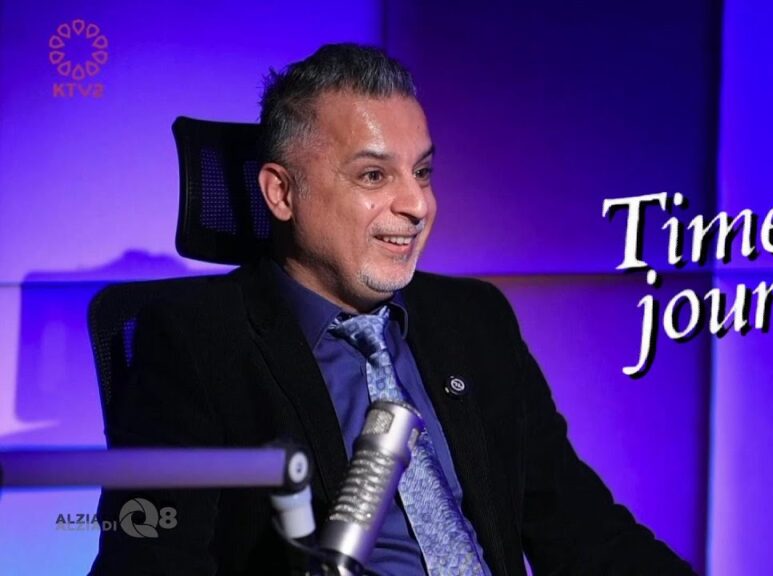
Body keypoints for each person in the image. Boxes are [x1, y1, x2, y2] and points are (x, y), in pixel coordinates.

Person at [91, 43, 694, 575]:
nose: (418, 204)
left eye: (422, 172)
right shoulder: (196, 340)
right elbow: (148, 561)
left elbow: (584, 534)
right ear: (281, 192)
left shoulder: (475, 319)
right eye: (374, 175)